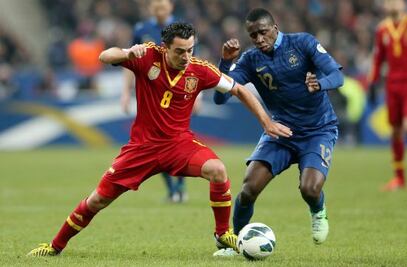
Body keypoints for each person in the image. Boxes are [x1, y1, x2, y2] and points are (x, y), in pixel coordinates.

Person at [27, 22, 292, 257]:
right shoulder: (147, 56)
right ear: (165, 48)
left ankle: (223, 233)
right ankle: (55, 246)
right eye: (180, 51)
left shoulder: (200, 70)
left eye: (191, 50)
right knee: (97, 200)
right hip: (141, 149)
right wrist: (128, 52)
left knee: (218, 170)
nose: (187, 56)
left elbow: (239, 90)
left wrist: (266, 122)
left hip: (179, 146)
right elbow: (105, 56)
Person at [212, 8, 343, 256]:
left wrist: (320, 84)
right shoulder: (251, 60)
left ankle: (318, 210)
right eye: (253, 35)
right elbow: (220, 98)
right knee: (249, 189)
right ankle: (237, 243)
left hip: (318, 130)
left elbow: (337, 75)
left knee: (310, 189)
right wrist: (226, 63)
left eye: (262, 32)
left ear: (274, 27)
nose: (259, 39)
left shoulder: (303, 43)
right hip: (280, 130)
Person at [122, 0, 187, 202]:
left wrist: (198, 93)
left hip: (177, 91)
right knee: (156, 142)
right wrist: (125, 92)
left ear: (171, 8)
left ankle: (180, 187)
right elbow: (130, 60)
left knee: (178, 140)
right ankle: (173, 190)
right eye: (156, 7)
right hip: (152, 92)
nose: (160, 11)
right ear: (150, 9)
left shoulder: (181, 28)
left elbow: (193, 60)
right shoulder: (142, 29)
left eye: (163, 7)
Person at [368, 0, 407, 191]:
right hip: (392, 84)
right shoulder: (382, 30)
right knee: (395, 131)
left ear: (403, 4)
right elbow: (379, 59)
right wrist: (372, 82)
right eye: (389, 1)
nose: (392, 4)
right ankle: (399, 177)